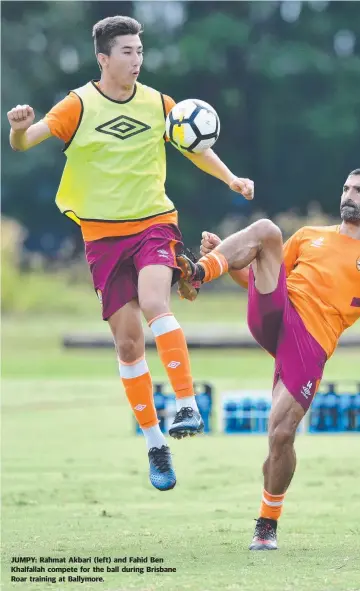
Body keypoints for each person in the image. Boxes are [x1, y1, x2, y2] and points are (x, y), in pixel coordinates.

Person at [7, 15, 254, 492]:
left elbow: (192, 145)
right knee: (127, 343)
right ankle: (155, 442)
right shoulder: (77, 105)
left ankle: (186, 402)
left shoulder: (160, 104)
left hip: (153, 223)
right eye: (127, 52)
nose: (137, 60)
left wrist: (231, 178)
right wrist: (18, 129)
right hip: (102, 237)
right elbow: (26, 142)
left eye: (140, 51)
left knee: (157, 300)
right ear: (103, 58)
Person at [177, 168, 360, 548]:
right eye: (347, 187)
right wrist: (224, 258)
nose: (349, 195)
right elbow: (258, 281)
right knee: (266, 229)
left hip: (310, 344)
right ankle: (199, 271)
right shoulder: (310, 236)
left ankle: (267, 522)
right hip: (276, 314)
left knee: (281, 436)